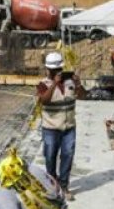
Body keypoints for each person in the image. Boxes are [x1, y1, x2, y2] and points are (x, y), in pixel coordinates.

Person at [36, 52, 85, 199]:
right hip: (51, 128)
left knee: (68, 156)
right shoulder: (43, 84)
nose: (57, 73)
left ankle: (64, 185)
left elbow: (83, 95)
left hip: (69, 127)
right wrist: (55, 84)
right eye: (54, 70)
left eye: (59, 70)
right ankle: (52, 184)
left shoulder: (70, 83)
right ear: (48, 70)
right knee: (50, 156)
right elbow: (44, 100)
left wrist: (78, 84)